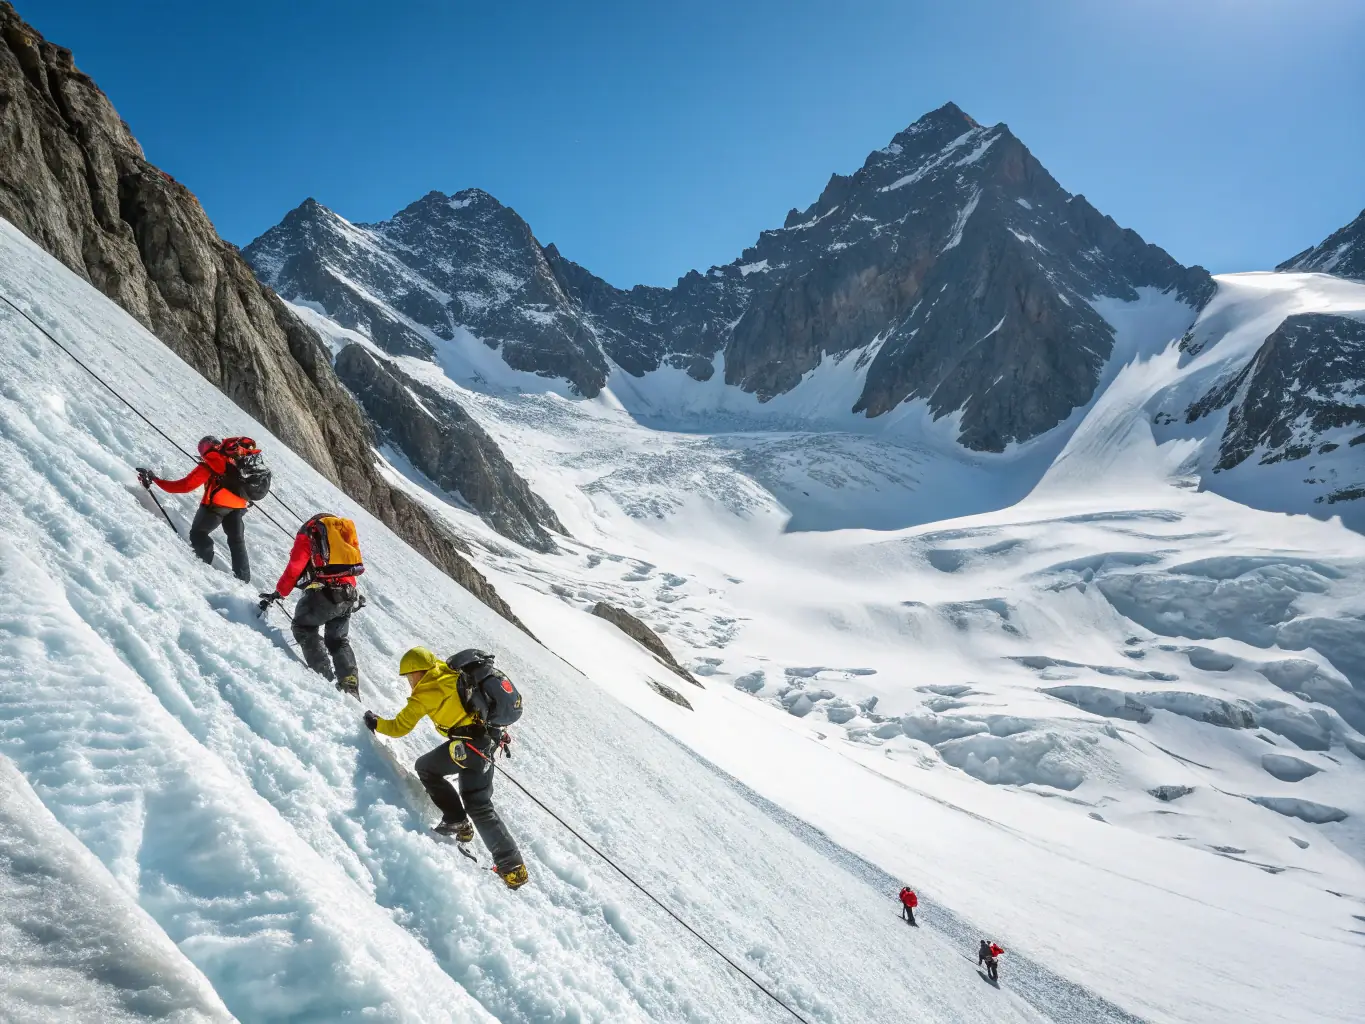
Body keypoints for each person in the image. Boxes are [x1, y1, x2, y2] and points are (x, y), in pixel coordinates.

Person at [364, 647, 528, 889]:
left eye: (411, 677)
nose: (411, 683)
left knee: (427, 768)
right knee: (479, 803)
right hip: (487, 740)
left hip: (469, 746)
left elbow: (400, 727)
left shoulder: (427, 691)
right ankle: (514, 868)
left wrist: (375, 722)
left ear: (418, 672)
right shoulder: (450, 671)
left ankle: (456, 821)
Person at [258, 513, 363, 697]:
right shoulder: (343, 533)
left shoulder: (309, 533)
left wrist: (279, 592)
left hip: (323, 593)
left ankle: (324, 677)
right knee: (338, 640)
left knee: (303, 627)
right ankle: (350, 684)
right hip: (348, 593)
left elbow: (294, 568)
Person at [137, 436, 251, 583]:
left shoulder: (211, 463)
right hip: (239, 507)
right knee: (237, 541)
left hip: (216, 507)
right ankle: (243, 580)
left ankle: (203, 566)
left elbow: (184, 486)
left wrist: (156, 480)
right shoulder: (234, 460)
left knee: (199, 534)